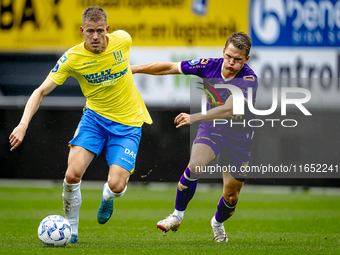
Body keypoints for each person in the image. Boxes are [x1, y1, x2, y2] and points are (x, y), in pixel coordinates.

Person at [9, 6, 152, 244]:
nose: (95, 37)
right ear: (82, 31)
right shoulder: (72, 58)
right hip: (94, 120)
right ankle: (72, 232)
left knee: (117, 185)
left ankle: (108, 196)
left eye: (99, 31)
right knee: (72, 174)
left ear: (107, 30)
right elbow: (40, 91)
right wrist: (23, 124)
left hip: (128, 123)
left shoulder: (123, 40)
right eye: (89, 31)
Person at [131, 32, 258, 242]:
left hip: (239, 138)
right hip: (212, 129)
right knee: (195, 165)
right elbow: (171, 67)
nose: (231, 63)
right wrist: (134, 69)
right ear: (223, 52)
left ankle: (217, 223)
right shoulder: (209, 65)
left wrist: (195, 117)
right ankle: (177, 215)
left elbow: (228, 109)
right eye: (228, 56)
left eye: (238, 59)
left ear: (246, 59)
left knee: (231, 195)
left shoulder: (249, 80)